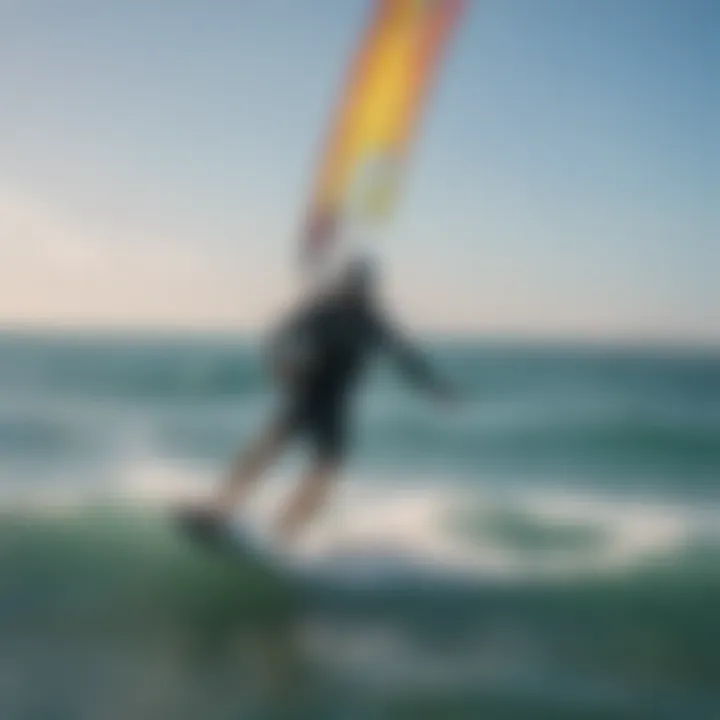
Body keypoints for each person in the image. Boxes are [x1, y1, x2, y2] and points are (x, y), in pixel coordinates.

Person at [204, 255, 460, 544]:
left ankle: (285, 530)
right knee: (267, 450)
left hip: (336, 404)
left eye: (363, 286)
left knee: (327, 468)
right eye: (354, 284)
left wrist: (437, 388)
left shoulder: (372, 322)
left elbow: (406, 359)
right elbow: (279, 334)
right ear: (345, 282)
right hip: (306, 393)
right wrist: (280, 365)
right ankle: (220, 509)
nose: (358, 291)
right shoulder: (323, 309)